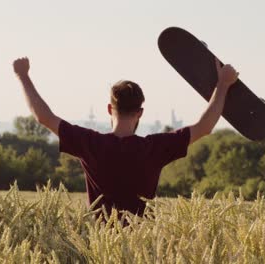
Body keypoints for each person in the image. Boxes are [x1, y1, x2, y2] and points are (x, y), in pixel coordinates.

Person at [13, 57, 238, 216]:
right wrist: (223, 84)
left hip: (99, 250)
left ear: (110, 109)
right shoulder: (155, 148)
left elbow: (43, 117)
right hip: (141, 248)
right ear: (140, 112)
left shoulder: (90, 143)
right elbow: (205, 126)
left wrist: (22, 76)